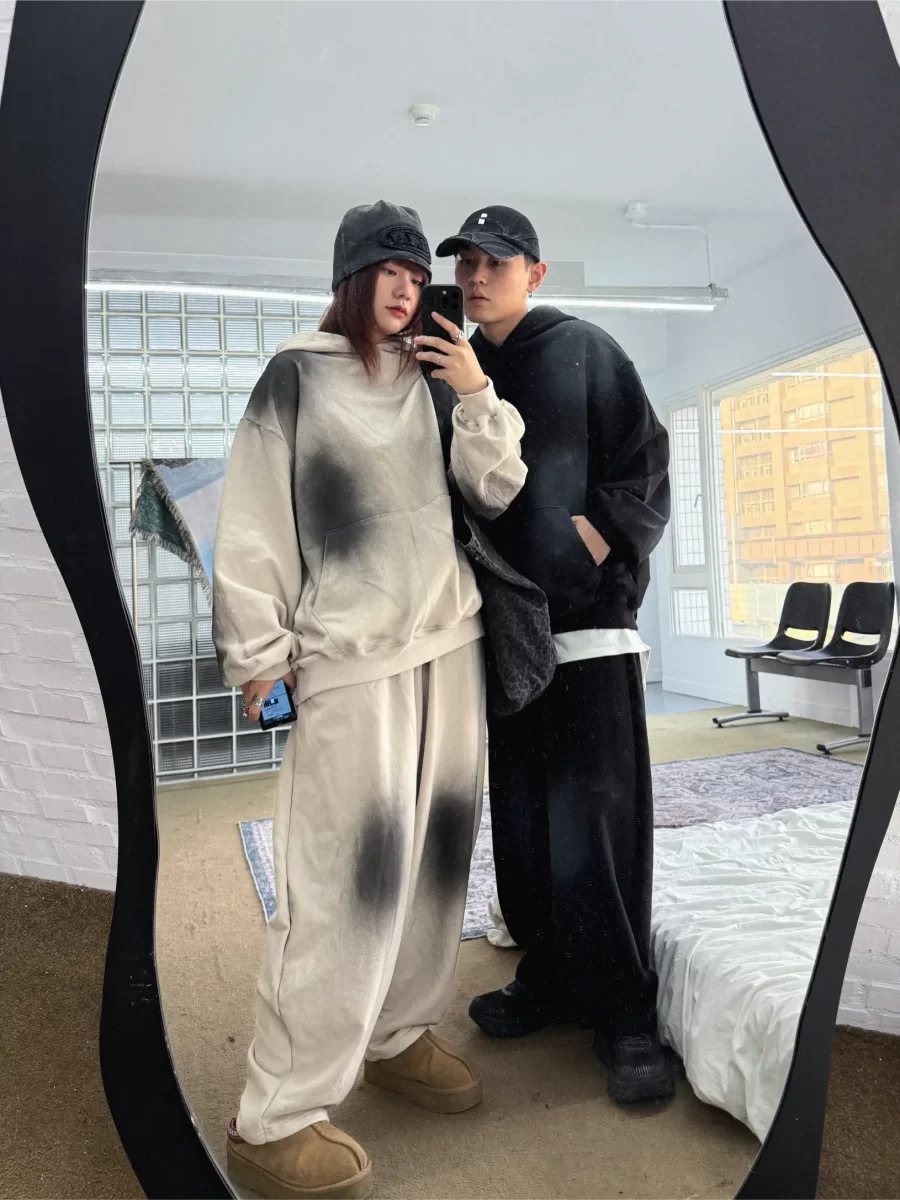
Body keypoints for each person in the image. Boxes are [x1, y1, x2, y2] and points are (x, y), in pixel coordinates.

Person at [212, 200, 527, 1200]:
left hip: (453, 647)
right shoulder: (297, 376)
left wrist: (475, 391)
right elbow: (253, 523)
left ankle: (396, 1034)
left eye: (417, 272)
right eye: (388, 269)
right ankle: (274, 1115)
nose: (406, 286)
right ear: (352, 278)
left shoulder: (438, 379)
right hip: (348, 661)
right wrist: (259, 658)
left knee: (435, 865)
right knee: (344, 883)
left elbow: (497, 490)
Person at [433, 206, 672, 1105]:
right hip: (502, 635)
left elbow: (646, 462)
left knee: (594, 826)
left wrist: (594, 542)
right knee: (526, 826)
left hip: (587, 632)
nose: (476, 276)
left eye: (495, 262)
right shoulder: (457, 368)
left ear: (535, 273)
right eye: (466, 262)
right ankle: (552, 978)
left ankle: (626, 1014)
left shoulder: (588, 350)